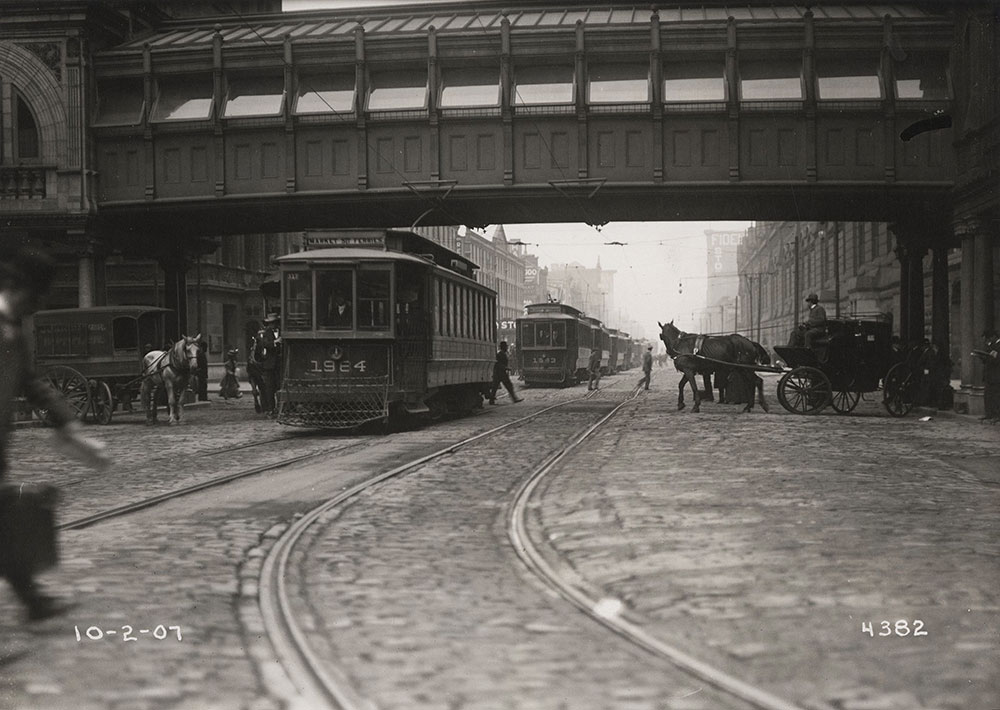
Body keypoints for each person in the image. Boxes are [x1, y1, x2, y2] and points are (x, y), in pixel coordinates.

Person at [0, 246, 109, 621]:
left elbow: (31, 384)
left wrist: (68, 423)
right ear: (16, 287)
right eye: (34, 297)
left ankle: (32, 600)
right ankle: (32, 600)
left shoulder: (15, 328)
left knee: (6, 525)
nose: (37, 306)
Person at [256, 313, 282, 417]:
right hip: (269, 365)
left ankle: (281, 409)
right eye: (271, 323)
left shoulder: (282, 331)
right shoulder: (265, 333)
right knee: (270, 388)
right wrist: (276, 342)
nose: (273, 325)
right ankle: (271, 409)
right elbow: (264, 344)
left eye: (275, 323)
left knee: (280, 387)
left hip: (280, 364)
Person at [972, 328, 1000, 422]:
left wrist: (987, 357)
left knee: (996, 396)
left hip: (996, 376)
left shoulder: (998, 346)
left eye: (988, 338)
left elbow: (996, 360)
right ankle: (989, 414)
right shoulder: (992, 345)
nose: (987, 341)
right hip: (989, 375)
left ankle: (996, 415)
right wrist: (982, 357)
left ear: (993, 337)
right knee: (988, 396)